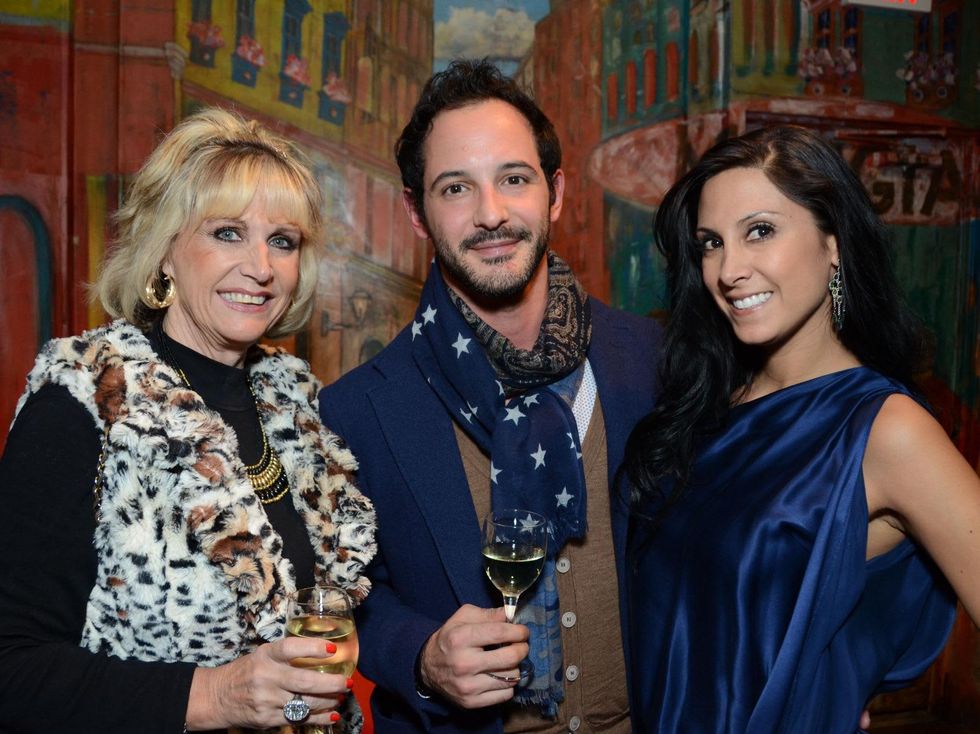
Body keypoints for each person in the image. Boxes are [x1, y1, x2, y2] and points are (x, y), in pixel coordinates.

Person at [0, 108, 376, 732]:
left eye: (282, 240)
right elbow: (11, 671)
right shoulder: (88, 401)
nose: (262, 266)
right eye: (228, 232)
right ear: (166, 250)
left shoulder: (299, 407)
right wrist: (215, 697)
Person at [318, 60, 661, 733]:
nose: (492, 214)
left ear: (555, 192)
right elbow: (344, 595)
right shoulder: (356, 409)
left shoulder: (654, 363)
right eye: (456, 188)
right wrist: (419, 654)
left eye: (514, 178)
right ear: (417, 212)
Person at [623, 125, 980, 733]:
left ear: (833, 244)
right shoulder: (706, 406)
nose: (729, 269)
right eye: (711, 243)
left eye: (760, 231)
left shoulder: (886, 431)